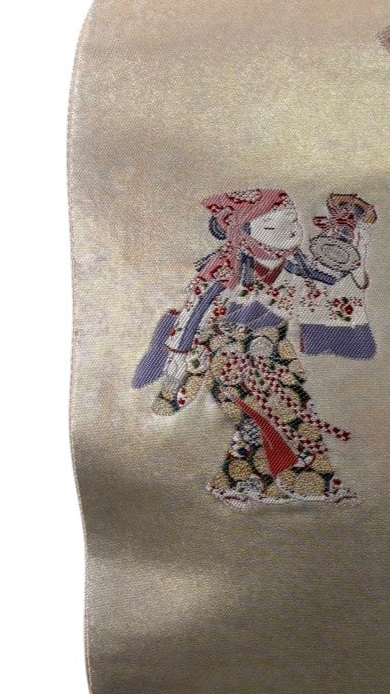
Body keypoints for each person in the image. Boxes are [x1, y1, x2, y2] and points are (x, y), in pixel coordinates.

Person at [132, 189, 376, 508]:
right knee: (254, 414)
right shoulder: (224, 268)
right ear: (245, 232)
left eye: (293, 221)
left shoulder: (292, 260)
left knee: (298, 407)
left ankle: (314, 482)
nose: (290, 230)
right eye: (273, 226)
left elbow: (327, 277)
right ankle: (235, 484)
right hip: (226, 350)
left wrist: (357, 251)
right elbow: (192, 314)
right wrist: (178, 356)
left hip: (273, 348)